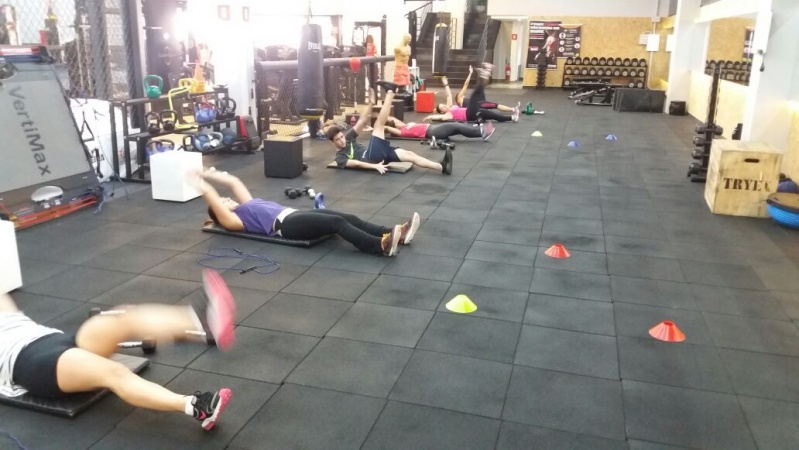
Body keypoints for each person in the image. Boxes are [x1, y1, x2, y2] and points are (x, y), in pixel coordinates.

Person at [0, 269, 236, 431]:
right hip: (28, 363)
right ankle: (196, 407)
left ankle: (200, 321)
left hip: (53, 339)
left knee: (124, 316)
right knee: (114, 372)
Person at [194, 168, 421, 257]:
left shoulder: (246, 204)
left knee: (347, 217)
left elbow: (234, 180)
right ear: (219, 212)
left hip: (293, 214)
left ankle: (395, 232)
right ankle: (379, 246)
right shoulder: (235, 221)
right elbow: (214, 200)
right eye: (223, 201)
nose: (227, 198)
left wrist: (208, 174)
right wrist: (201, 185)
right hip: (287, 227)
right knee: (336, 222)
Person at [324, 83, 453, 175]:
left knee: (410, 155)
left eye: (341, 136)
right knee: (379, 125)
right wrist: (374, 166)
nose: (342, 140)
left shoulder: (348, 137)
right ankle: (390, 92)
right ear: (333, 142)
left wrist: (370, 103)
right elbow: (356, 164)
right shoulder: (340, 157)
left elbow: (362, 120)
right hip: (370, 157)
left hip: (376, 153)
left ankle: (441, 166)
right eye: (338, 140)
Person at [424, 65, 518, 123]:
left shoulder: (450, 106)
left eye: (443, 105)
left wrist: (445, 83)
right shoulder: (448, 115)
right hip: (469, 114)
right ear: (442, 112)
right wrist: (431, 116)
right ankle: (484, 74)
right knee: (474, 96)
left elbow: (448, 95)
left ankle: (512, 117)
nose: (445, 107)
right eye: (442, 108)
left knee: (492, 115)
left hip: (473, 112)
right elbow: (442, 118)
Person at [451, 65, 520, 114]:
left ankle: (485, 73)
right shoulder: (459, 98)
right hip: (479, 105)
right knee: (495, 105)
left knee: (480, 88)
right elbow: (465, 85)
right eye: (462, 95)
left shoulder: (463, 102)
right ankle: (513, 109)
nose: (463, 95)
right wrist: (470, 73)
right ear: (458, 97)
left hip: (478, 104)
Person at [384, 116, 495, 143]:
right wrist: (381, 126)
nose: (398, 121)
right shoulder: (402, 132)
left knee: (457, 127)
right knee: (455, 126)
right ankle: (481, 132)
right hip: (433, 132)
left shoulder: (405, 125)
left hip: (433, 129)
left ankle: (481, 133)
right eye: (395, 122)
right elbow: (387, 127)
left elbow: (393, 120)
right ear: (394, 127)